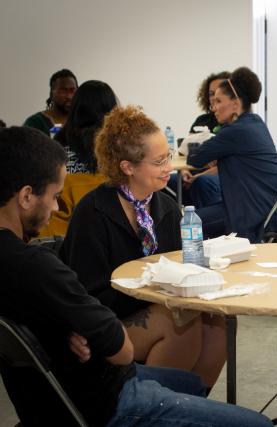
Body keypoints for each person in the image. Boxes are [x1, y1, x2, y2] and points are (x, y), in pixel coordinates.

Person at [0, 126, 272, 426]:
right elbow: (121, 348)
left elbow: (59, 312)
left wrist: (71, 327)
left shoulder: (21, 263)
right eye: (54, 196)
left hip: (64, 392)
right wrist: (84, 327)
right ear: (26, 196)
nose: (56, 207)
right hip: (106, 399)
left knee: (192, 380)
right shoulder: (41, 262)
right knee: (260, 424)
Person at [60, 106, 227, 390]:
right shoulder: (93, 212)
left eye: (169, 157)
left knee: (217, 321)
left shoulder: (165, 207)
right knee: (178, 323)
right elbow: (86, 296)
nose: (169, 168)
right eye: (159, 161)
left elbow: (181, 267)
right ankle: (159, 407)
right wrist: (156, 292)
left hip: (149, 306)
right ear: (127, 167)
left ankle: (191, 407)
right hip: (102, 323)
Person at [187, 66, 277, 243]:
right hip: (276, 208)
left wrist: (215, 153)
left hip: (257, 213)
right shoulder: (255, 123)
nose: (214, 108)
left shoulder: (235, 131)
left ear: (235, 103)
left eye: (218, 101)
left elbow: (194, 158)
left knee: (186, 224)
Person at [38, 80, 117, 237]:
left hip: (65, 233)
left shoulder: (58, 146)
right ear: (111, 109)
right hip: (110, 226)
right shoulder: (117, 149)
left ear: (75, 108)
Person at [167, 72, 229, 211]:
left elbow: (227, 165)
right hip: (191, 175)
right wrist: (183, 172)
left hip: (215, 177)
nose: (214, 97)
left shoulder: (231, 125)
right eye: (211, 93)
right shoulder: (201, 121)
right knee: (161, 182)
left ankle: (201, 223)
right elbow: (184, 154)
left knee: (202, 182)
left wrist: (199, 175)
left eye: (219, 93)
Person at [23, 69, 78, 135]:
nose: (69, 96)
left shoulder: (83, 121)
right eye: (63, 91)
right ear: (52, 94)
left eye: (72, 91)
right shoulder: (35, 122)